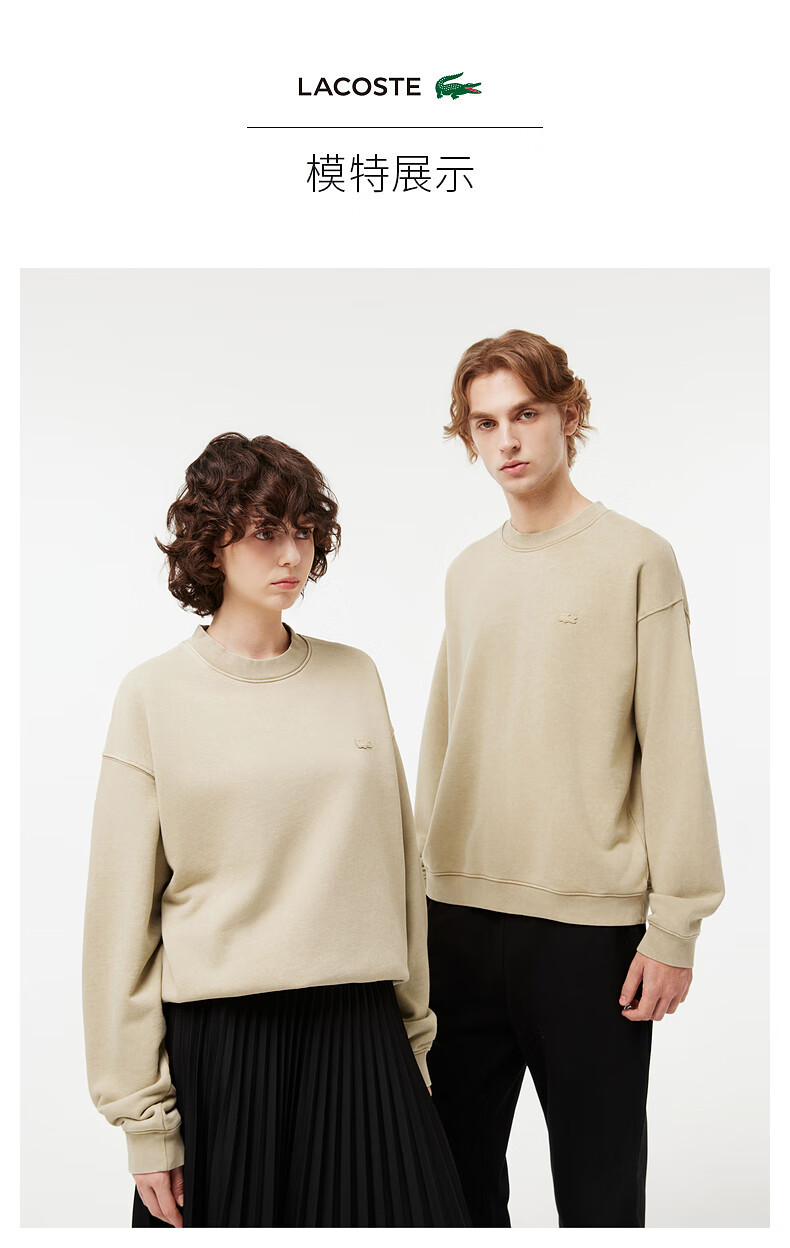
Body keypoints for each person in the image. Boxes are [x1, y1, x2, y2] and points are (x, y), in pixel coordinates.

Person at [82, 431, 470, 1229]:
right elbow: (120, 924)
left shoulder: (355, 675)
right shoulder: (153, 696)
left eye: (304, 530)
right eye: (265, 531)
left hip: (362, 1031)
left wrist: (413, 1039)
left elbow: (398, 868)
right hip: (225, 1044)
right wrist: (145, 1122)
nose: (292, 553)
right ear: (211, 544)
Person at [414, 330, 725, 1228]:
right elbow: (444, 741)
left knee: (599, 1196)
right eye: (485, 424)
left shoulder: (637, 558)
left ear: (569, 414)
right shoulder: (468, 573)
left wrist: (676, 925)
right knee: (453, 1191)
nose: (506, 440)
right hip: (456, 923)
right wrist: (413, 901)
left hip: (589, 934)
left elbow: (674, 744)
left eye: (525, 414)